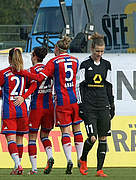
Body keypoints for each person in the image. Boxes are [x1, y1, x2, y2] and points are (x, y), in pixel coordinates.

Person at [17, 36, 84, 174]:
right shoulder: (75, 60)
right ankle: (80, 160)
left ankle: (38, 167)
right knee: (76, 130)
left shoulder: (52, 63)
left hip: (54, 103)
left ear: (57, 49)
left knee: (40, 136)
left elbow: (38, 79)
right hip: (71, 101)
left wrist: (20, 72)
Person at [0, 48, 33, 175]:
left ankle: (18, 165)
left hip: (10, 110)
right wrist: (24, 96)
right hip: (22, 109)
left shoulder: (4, 73)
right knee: (19, 139)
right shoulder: (24, 73)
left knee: (11, 140)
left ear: (9, 58)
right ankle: (17, 166)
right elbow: (35, 83)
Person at [78, 32, 115, 177]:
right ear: (92, 49)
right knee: (92, 138)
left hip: (103, 105)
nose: (99, 54)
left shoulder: (107, 65)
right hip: (89, 106)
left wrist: (112, 104)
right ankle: (83, 159)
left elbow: (109, 85)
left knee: (103, 138)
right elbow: (79, 85)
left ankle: (99, 169)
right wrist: (80, 104)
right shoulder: (85, 64)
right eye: (97, 51)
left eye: (102, 51)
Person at [26, 47, 55, 175]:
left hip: (36, 107)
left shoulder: (30, 70)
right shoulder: (49, 70)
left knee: (32, 138)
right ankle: (50, 157)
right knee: (45, 136)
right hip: (49, 107)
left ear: (34, 56)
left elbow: (25, 86)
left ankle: (34, 168)